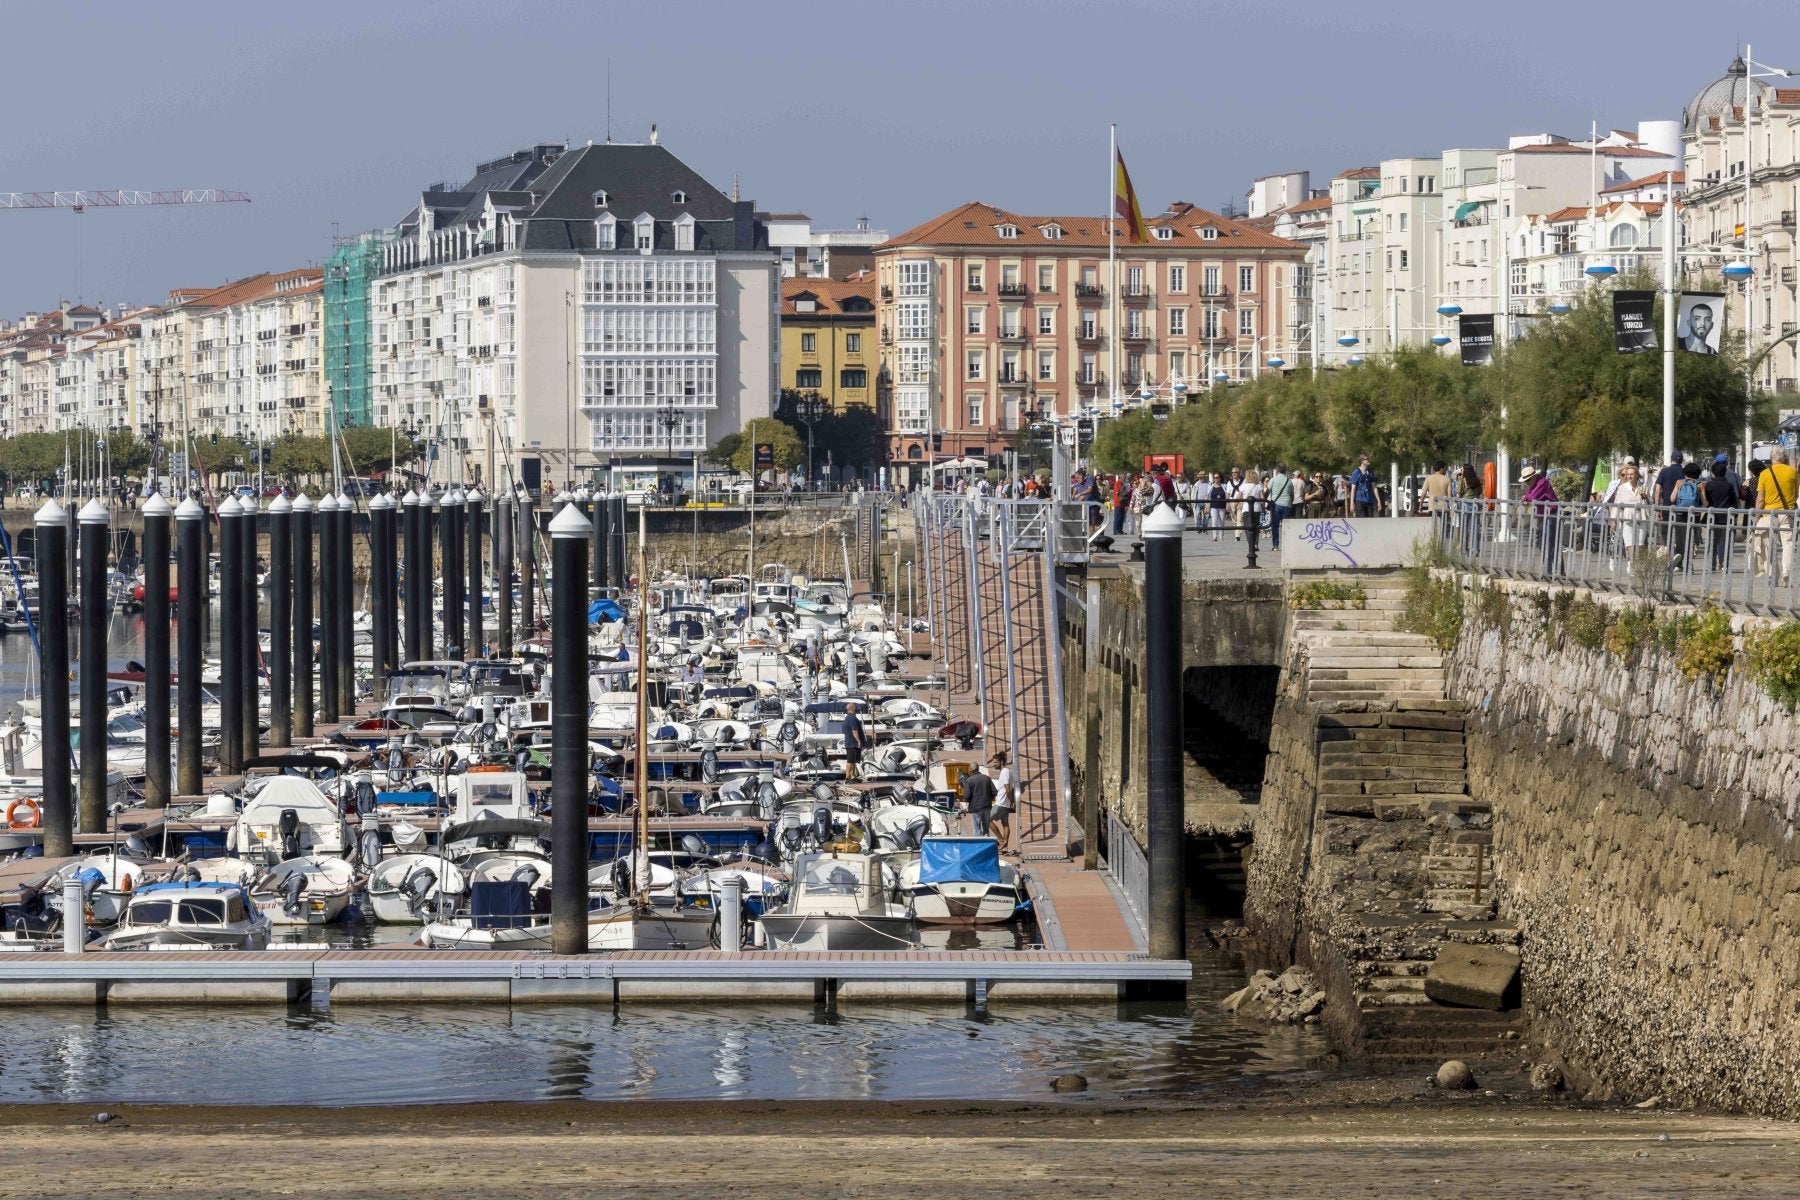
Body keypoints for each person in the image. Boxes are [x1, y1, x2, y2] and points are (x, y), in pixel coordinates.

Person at [1753, 448, 1797, 581]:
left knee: (1769, 545)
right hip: (1787, 513)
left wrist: (1757, 516)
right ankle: (1786, 570)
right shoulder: (1793, 472)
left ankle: (1773, 574)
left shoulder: (1765, 474)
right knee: (1788, 543)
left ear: (1771, 458)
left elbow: (1760, 499)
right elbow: (1796, 495)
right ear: (1784, 458)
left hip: (1768, 514)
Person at [1521, 463, 1561, 574]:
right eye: (1525, 481)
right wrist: (1526, 498)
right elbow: (1529, 496)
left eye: (1528, 480)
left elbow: (1532, 496)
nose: (1527, 483)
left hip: (1551, 514)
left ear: (1534, 477)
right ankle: (1552, 570)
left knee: (1550, 543)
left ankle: (1553, 571)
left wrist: (1526, 498)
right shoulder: (1533, 485)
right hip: (1543, 515)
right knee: (1543, 543)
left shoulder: (1543, 482)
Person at [1704, 453, 1741, 570]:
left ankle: (1712, 563)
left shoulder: (1709, 482)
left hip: (1713, 515)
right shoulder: (1732, 480)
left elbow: (1706, 500)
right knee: (1725, 540)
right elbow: (1736, 498)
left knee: (1713, 539)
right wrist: (1735, 515)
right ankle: (1723, 562)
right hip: (1727, 515)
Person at [958, 759, 996, 836]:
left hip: (975, 808)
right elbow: (995, 792)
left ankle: (979, 845)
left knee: (976, 829)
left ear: (970, 769)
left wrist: (966, 800)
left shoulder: (969, 780)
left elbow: (967, 796)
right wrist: (989, 799)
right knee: (986, 829)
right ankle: (986, 843)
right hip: (987, 806)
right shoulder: (987, 778)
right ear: (978, 768)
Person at [988, 751, 1014, 852]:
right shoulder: (1004, 772)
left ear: (1002, 762)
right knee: (1005, 824)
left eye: (995, 762)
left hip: (1001, 803)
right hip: (1005, 803)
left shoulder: (1005, 772)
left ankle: (1001, 840)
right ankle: (1004, 846)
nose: (994, 764)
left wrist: (1011, 801)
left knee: (987, 820)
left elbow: (1007, 788)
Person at [1266, 463, 1295, 551]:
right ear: (1285, 470)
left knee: (1275, 526)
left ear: (1277, 470)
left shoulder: (1273, 480)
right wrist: (1290, 502)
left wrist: (1266, 499)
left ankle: (1275, 545)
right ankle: (1287, 544)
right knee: (1286, 526)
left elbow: (1268, 490)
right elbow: (1292, 494)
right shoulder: (1289, 481)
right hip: (1287, 504)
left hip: (1276, 505)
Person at [1422, 462, 1452, 541]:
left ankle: (1433, 543)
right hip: (1444, 507)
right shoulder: (1447, 479)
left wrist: (1420, 505)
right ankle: (1441, 544)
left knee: (1432, 528)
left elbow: (1424, 493)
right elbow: (1449, 495)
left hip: (1432, 507)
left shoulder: (1428, 478)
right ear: (1441, 469)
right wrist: (1451, 508)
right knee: (1443, 528)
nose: (1445, 470)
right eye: (1444, 468)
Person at [840, 700, 867, 780]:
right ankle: (847, 776)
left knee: (854, 760)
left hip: (850, 742)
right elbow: (854, 730)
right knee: (850, 760)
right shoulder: (852, 718)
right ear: (852, 708)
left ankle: (853, 775)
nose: (856, 707)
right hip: (852, 743)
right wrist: (858, 741)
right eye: (854, 706)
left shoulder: (848, 718)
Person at [1206, 472, 1228, 541]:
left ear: (1220, 478)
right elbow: (1207, 495)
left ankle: (1221, 536)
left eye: (1217, 477)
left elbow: (1227, 496)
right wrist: (1206, 503)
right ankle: (1214, 537)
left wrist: (1228, 504)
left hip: (1222, 506)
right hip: (1213, 506)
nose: (1216, 479)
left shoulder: (1224, 486)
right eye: (1214, 477)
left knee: (1221, 522)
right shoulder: (1211, 486)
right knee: (1214, 521)